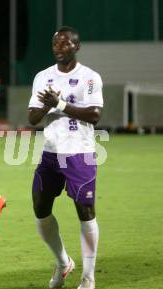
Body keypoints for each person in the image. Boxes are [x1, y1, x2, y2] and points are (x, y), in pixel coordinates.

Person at [28, 26, 102, 289]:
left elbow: (94, 115)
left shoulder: (89, 78)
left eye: (64, 44)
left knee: (85, 211)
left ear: (76, 46)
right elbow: (33, 118)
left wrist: (59, 105)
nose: (58, 48)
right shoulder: (43, 77)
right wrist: (48, 104)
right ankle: (63, 262)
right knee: (40, 207)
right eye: (55, 44)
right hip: (51, 153)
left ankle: (88, 277)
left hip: (80, 153)